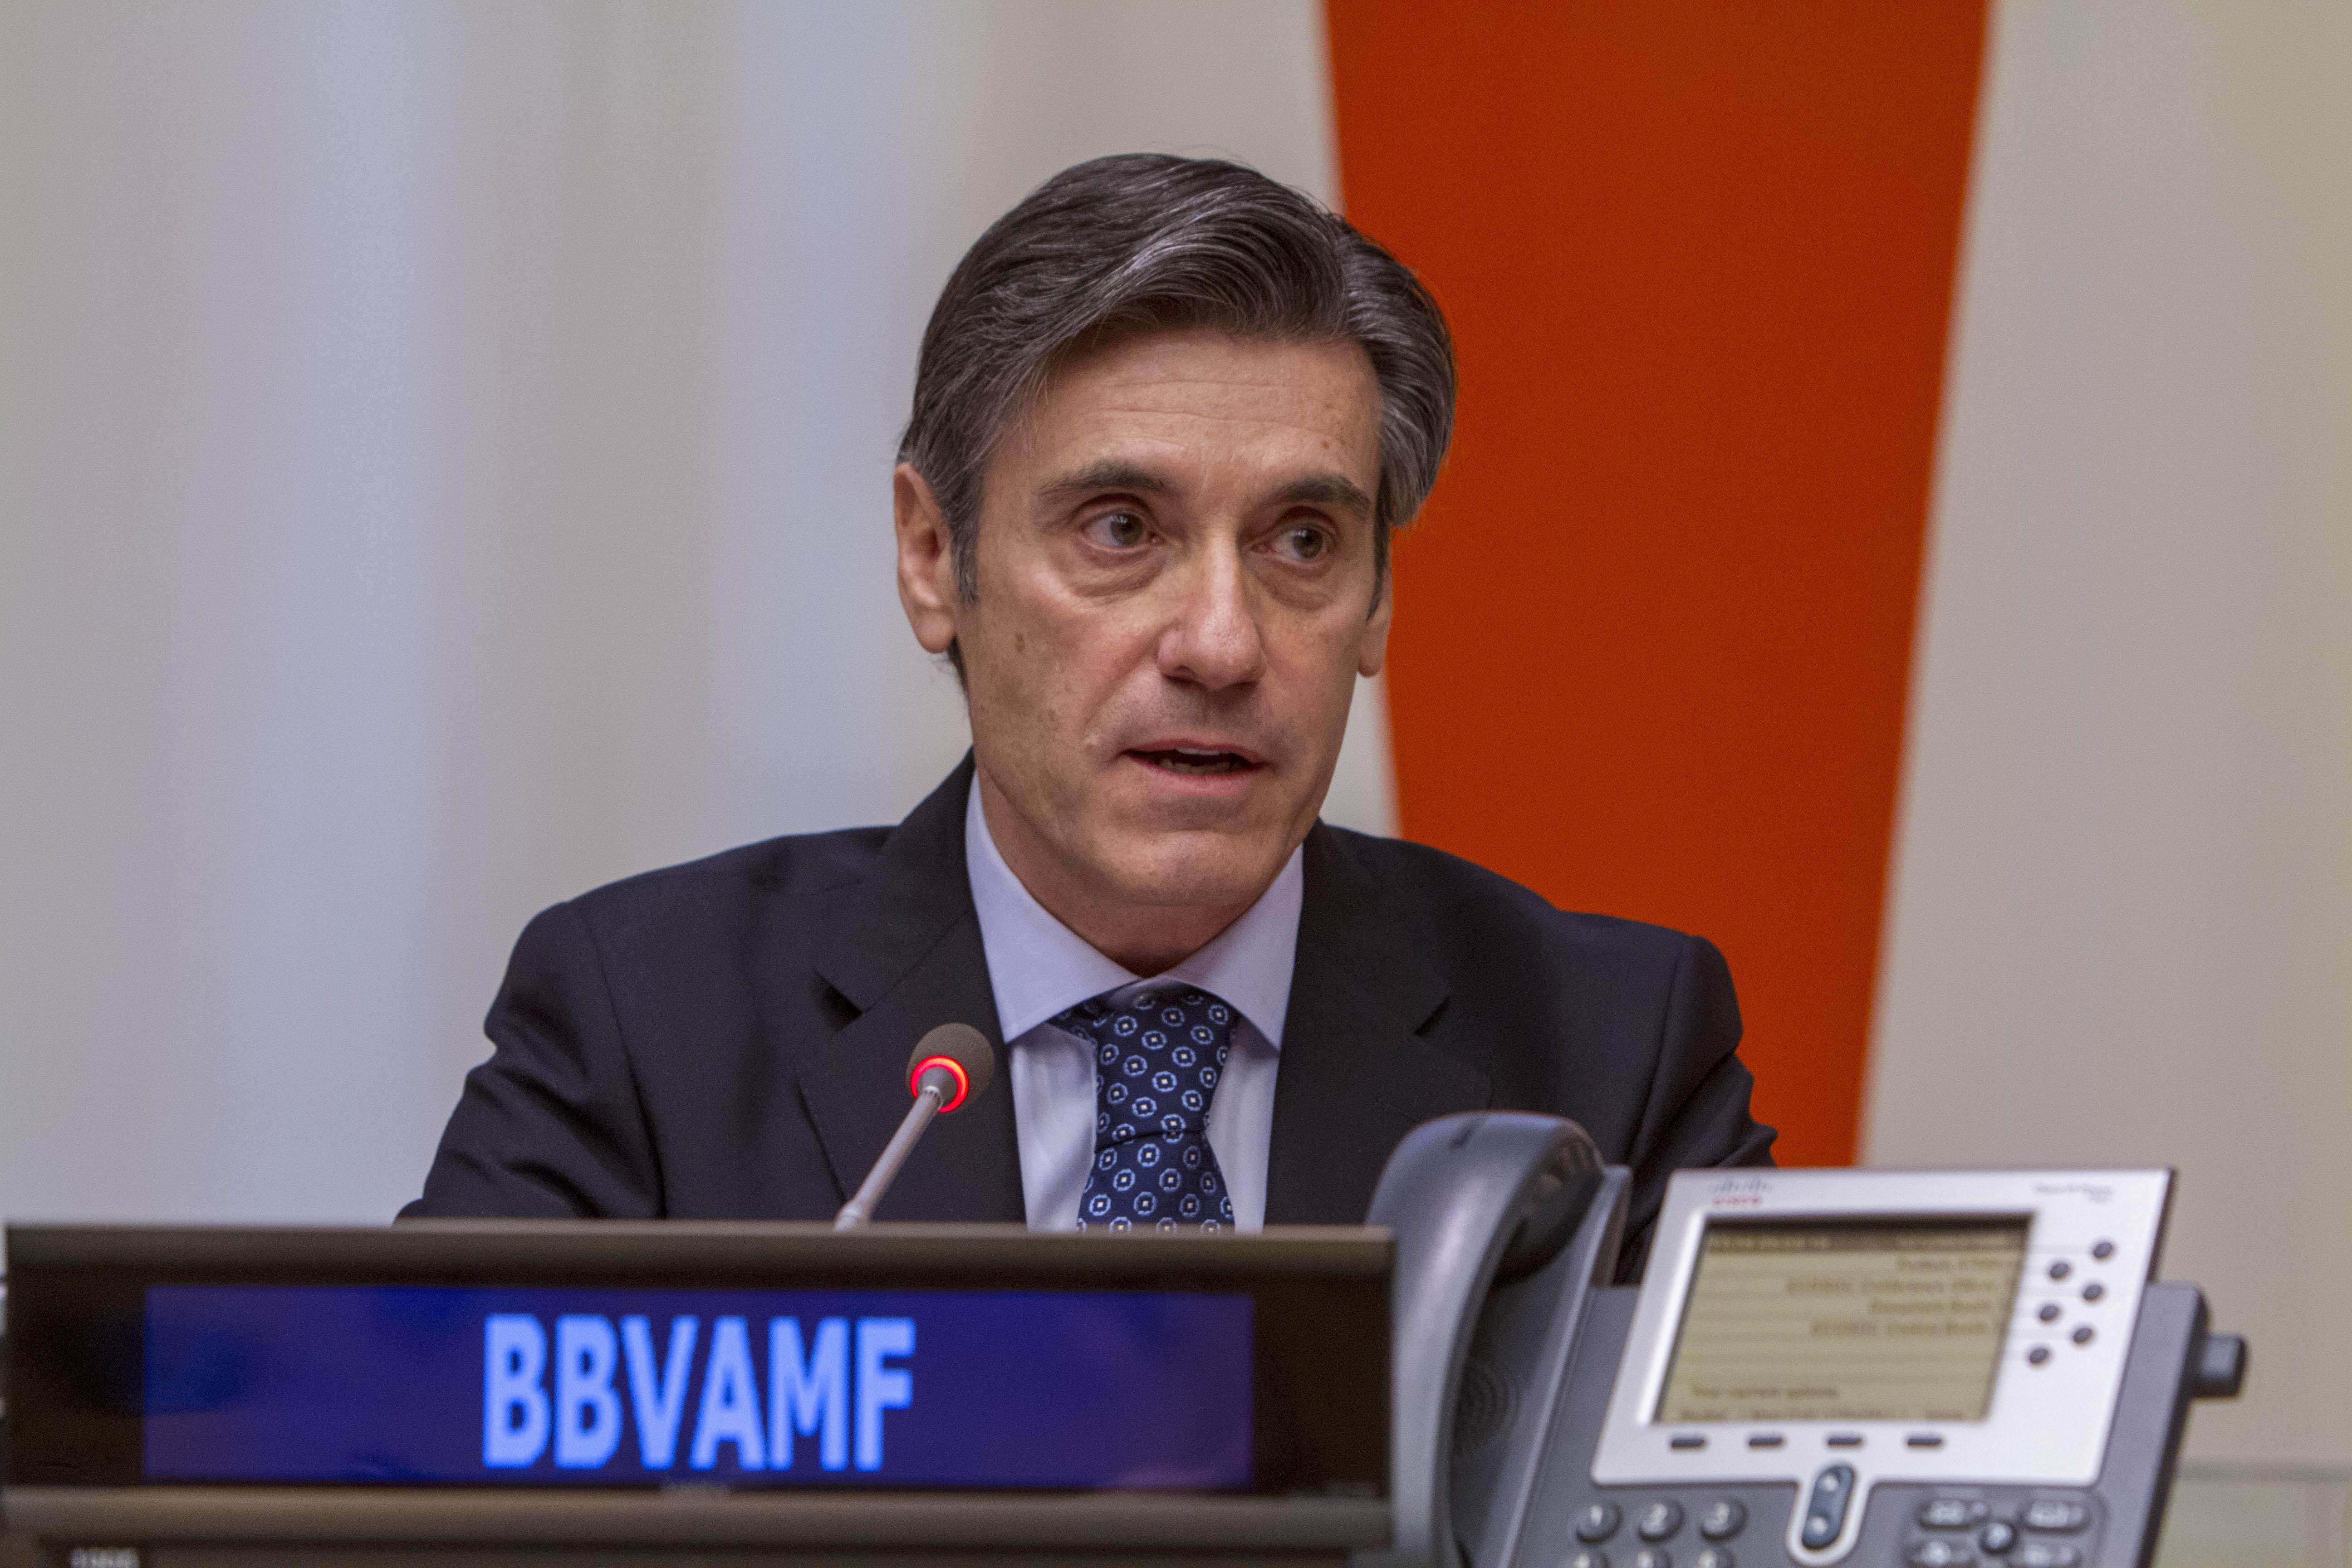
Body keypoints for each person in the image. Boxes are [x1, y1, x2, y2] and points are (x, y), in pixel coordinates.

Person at [404, 154, 1773, 1274]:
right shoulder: (650, 1030)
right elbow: (408, 1471)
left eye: (1303, 541)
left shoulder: (1613, 1059)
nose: (1222, 643)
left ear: (1378, 603)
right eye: (1122, 528)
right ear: (934, 559)